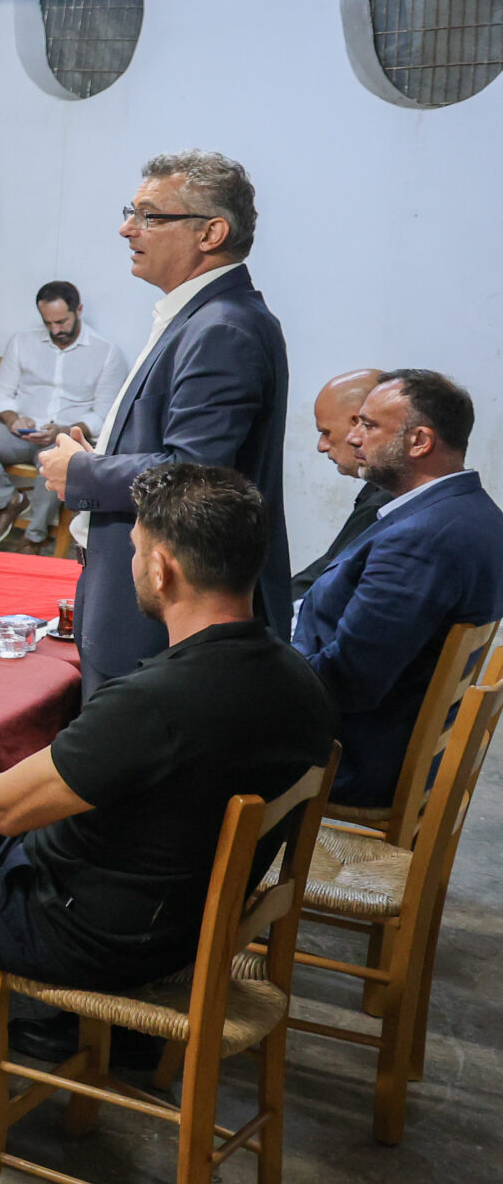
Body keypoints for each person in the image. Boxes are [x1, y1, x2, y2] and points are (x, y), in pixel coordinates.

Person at [0, 463, 336, 997]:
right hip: (172, 918)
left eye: (135, 550)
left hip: (85, 933)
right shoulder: (299, 677)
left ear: (160, 569)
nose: (130, 563)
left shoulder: (157, 702)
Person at [41, 151, 290, 699]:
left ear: (211, 233)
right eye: (131, 211)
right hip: (138, 592)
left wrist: (81, 473)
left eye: (150, 215)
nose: (128, 228)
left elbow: (193, 475)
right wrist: (101, 455)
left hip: (172, 610)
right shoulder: (201, 316)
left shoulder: (222, 328)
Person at [294, 370, 503, 806]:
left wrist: (256, 677)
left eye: (368, 426)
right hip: (382, 741)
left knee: (185, 736)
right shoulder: (475, 512)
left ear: (419, 441)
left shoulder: (421, 538)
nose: (354, 438)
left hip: (349, 759)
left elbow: (351, 682)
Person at [0, 282, 129, 551]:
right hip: (21, 433)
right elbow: (1, 394)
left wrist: (65, 430)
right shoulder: (22, 341)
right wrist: (13, 419)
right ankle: (10, 501)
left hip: (65, 436)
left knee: (56, 461)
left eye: (61, 322)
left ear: (79, 310)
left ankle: (34, 538)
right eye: (48, 323)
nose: (56, 330)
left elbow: (105, 413)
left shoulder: (106, 352)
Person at [291, 368, 392, 597]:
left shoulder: (384, 505)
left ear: (359, 423)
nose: (322, 446)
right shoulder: (379, 493)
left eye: (326, 432)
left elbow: (326, 583)